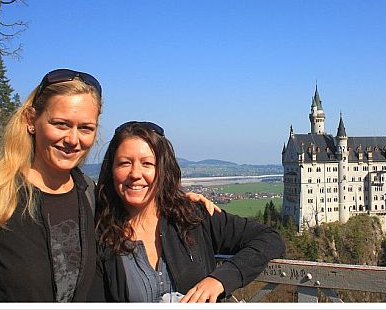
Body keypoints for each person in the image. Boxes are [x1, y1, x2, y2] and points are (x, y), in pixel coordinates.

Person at [0, 69, 218, 302]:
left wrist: (179, 200)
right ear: (30, 120)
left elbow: (137, 203)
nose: (72, 139)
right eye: (60, 124)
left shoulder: (90, 197)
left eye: (85, 128)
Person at [94, 121, 286, 303]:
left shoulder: (192, 217)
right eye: (125, 163)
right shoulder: (97, 232)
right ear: (111, 170)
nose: (135, 174)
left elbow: (270, 239)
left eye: (147, 164)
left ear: (162, 170)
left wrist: (222, 278)